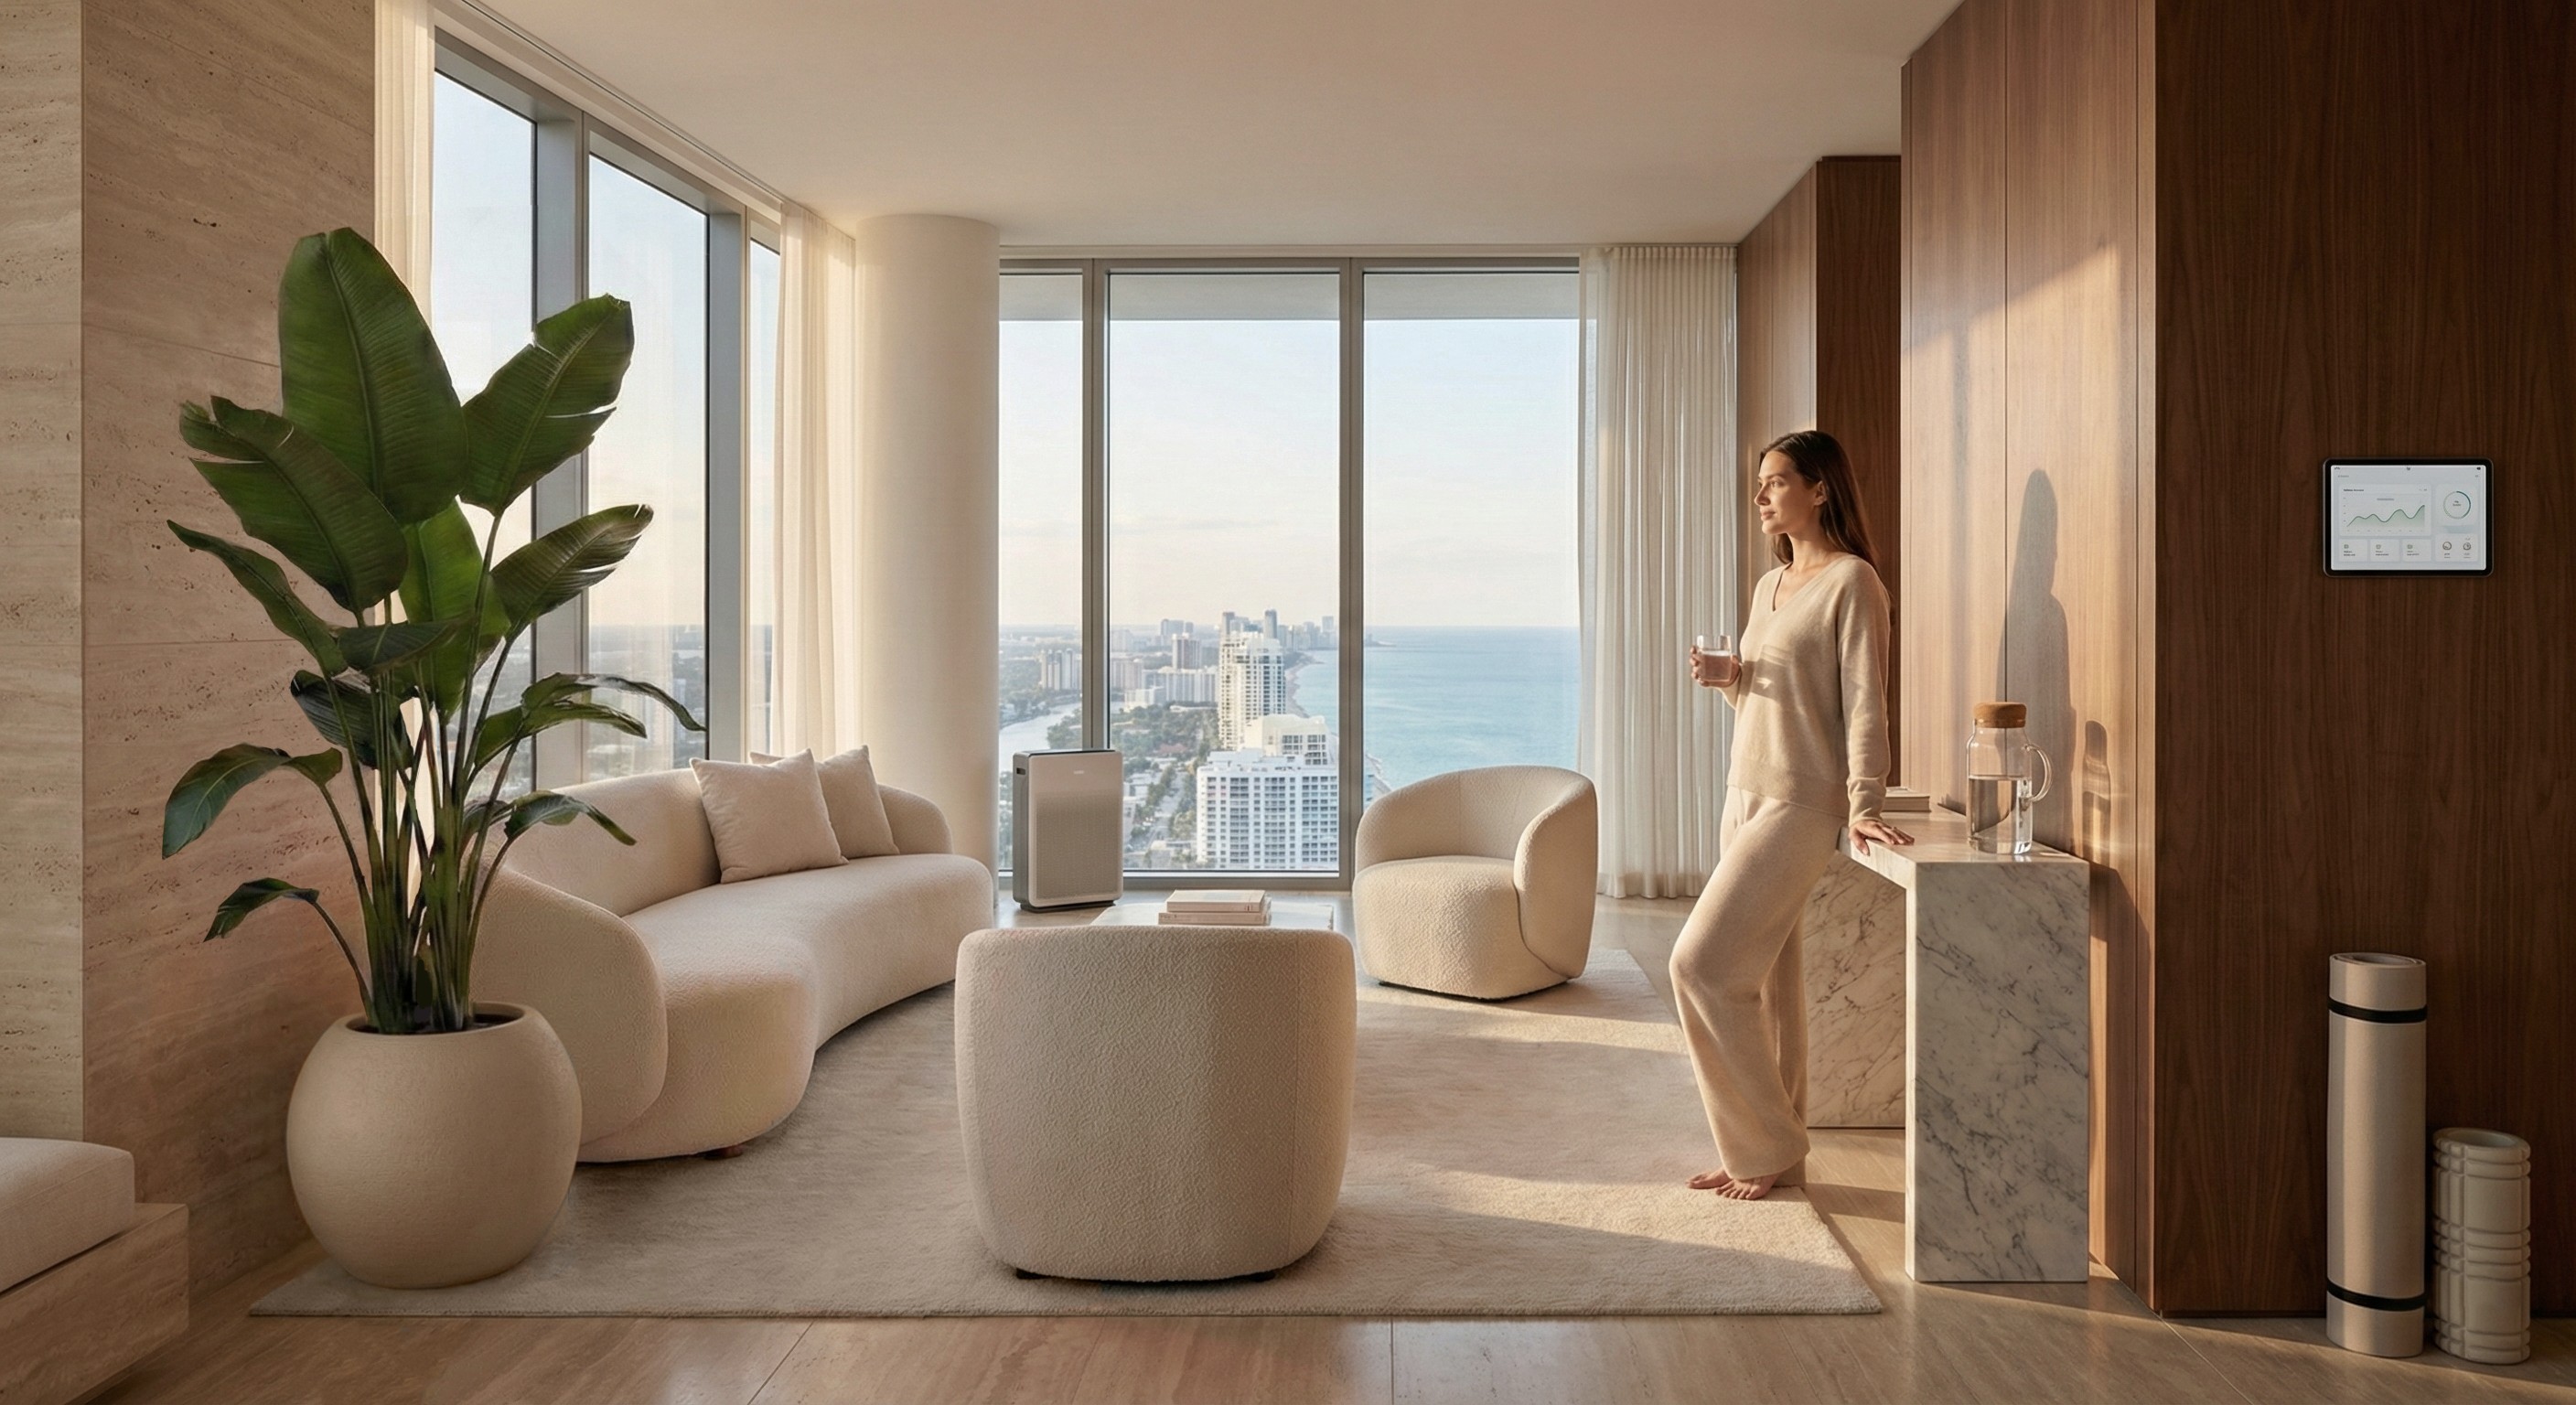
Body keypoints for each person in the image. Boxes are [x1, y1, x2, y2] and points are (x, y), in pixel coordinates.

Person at [1675, 429, 1910, 1201]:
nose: (1761, 496)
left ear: (1820, 489)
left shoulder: (1854, 583)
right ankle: (1780, 1147)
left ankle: (1767, 1141)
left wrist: (1864, 802)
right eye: (1761, 483)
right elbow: (1777, 694)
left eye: (1776, 482)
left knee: (1699, 965)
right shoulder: (1768, 586)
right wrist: (1734, 677)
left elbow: (1865, 703)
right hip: (1743, 788)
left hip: (1799, 801)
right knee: (1768, 981)